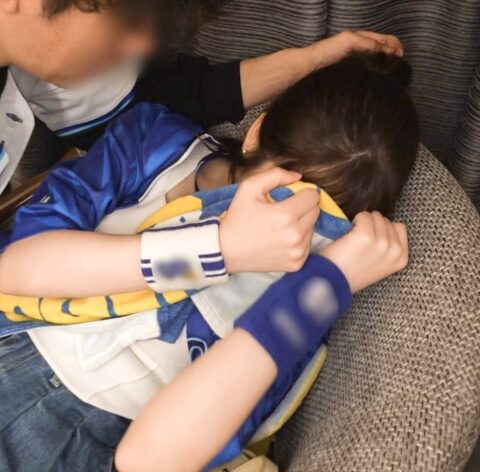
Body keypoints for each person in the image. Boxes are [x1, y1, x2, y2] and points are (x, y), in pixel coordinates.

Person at [0, 52, 418, 471]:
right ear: (255, 134)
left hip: (82, 439)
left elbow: (147, 460)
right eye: (279, 192)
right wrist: (218, 248)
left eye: (319, 223)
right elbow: (16, 269)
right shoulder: (154, 142)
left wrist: (327, 280)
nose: (286, 228)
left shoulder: (302, 302)